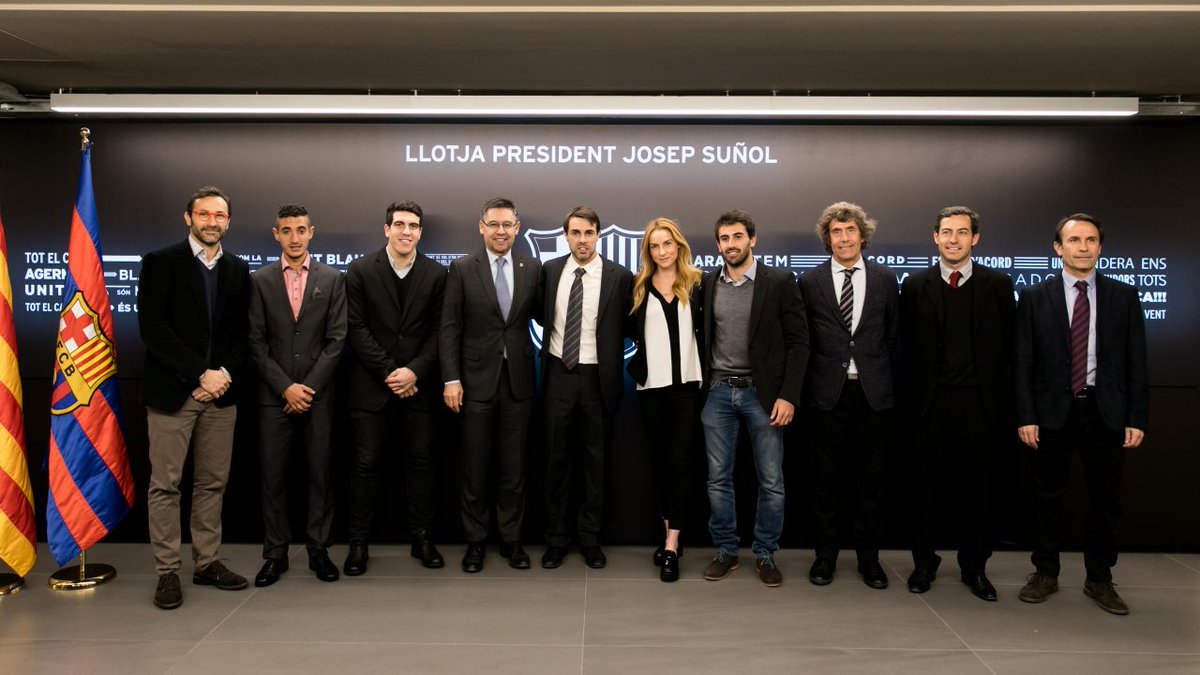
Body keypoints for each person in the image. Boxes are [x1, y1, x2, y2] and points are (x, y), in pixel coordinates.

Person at [1015, 213, 1149, 615]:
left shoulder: (1123, 296)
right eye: (1074, 240)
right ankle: (1045, 573)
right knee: (1046, 498)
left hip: (1106, 412)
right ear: (1058, 248)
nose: (1083, 247)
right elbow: (1023, 362)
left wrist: (1137, 417)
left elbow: (1137, 362)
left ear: (1100, 247)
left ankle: (1100, 579)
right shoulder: (1035, 297)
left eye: (1091, 240)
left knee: (1106, 501)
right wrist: (1026, 415)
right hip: (1052, 412)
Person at [139, 185, 251, 609]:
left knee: (211, 483)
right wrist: (199, 374)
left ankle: (206, 562)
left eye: (219, 216)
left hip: (220, 396)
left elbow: (244, 336)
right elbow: (154, 330)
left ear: (228, 222)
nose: (211, 222)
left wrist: (222, 375)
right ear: (188, 218)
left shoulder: (238, 270)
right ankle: (167, 572)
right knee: (165, 486)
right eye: (203, 214)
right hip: (173, 393)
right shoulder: (160, 263)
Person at [900, 206, 1014, 601]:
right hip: (929, 406)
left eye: (962, 232)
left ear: (975, 238)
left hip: (978, 405)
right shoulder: (915, 285)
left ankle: (975, 568)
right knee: (924, 491)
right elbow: (905, 347)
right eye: (947, 232)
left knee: (977, 492)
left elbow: (1008, 346)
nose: (954, 239)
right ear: (936, 237)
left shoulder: (998, 285)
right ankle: (923, 565)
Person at [700, 210, 808, 588]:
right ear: (718, 245)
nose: (731, 244)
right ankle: (726, 550)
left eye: (738, 237)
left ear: (752, 240)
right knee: (718, 478)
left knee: (771, 480)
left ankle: (764, 553)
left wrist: (788, 396)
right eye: (724, 239)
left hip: (763, 396)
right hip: (717, 392)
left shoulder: (779, 282)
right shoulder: (707, 283)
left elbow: (799, 343)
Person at [799, 201, 899, 590]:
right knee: (825, 482)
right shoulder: (810, 282)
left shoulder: (885, 279)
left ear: (863, 235)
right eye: (836, 232)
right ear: (828, 239)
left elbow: (891, 336)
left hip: (873, 395)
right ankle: (825, 557)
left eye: (850, 230)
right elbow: (805, 339)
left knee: (870, 483)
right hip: (826, 396)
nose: (844, 238)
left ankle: (869, 560)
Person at [344, 201, 447, 575]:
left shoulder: (437, 274)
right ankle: (358, 544)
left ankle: (423, 539)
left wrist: (414, 372)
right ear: (386, 229)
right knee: (364, 466)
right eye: (400, 224)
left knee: (421, 464)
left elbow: (440, 332)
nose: (407, 231)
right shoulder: (359, 271)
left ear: (421, 232)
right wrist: (391, 372)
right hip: (371, 387)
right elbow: (356, 329)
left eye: (414, 225)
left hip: (418, 389)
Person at [247, 204, 347, 586]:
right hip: (275, 397)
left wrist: (308, 388)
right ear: (276, 235)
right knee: (273, 479)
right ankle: (275, 555)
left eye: (300, 230)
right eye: (286, 231)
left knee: (320, 476)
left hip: (318, 396)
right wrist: (285, 387)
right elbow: (256, 342)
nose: (294, 238)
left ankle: (319, 550)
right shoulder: (260, 280)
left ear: (311, 232)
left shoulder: (332, 279)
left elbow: (337, 340)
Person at [441, 197, 541, 573]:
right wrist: (451, 378)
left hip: (518, 383)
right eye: (494, 224)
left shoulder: (532, 268)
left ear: (517, 228)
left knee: (513, 469)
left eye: (507, 225)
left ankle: (511, 541)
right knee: (475, 468)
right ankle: (475, 543)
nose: (501, 231)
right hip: (474, 383)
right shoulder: (462, 269)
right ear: (481, 226)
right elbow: (449, 328)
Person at [538, 206, 633, 570]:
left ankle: (591, 540)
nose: (582, 240)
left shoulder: (619, 276)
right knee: (556, 462)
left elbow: (630, 325)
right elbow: (539, 314)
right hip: (558, 373)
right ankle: (556, 540)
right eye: (575, 233)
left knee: (596, 464)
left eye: (588, 233)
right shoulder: (549, 271)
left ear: (598, 235)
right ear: (566, 236)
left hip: (598, 378)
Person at [626, 217, 704, 582]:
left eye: (667, 244)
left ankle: (672, 545)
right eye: (655, 246)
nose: (662, 251)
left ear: (679, 245)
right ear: (648, 251)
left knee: (680, 464)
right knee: (660, 464)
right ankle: (669, 533)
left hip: (688, 388)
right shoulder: (637, 287)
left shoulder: (699, 283)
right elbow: (628, 332)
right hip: (651, 389)